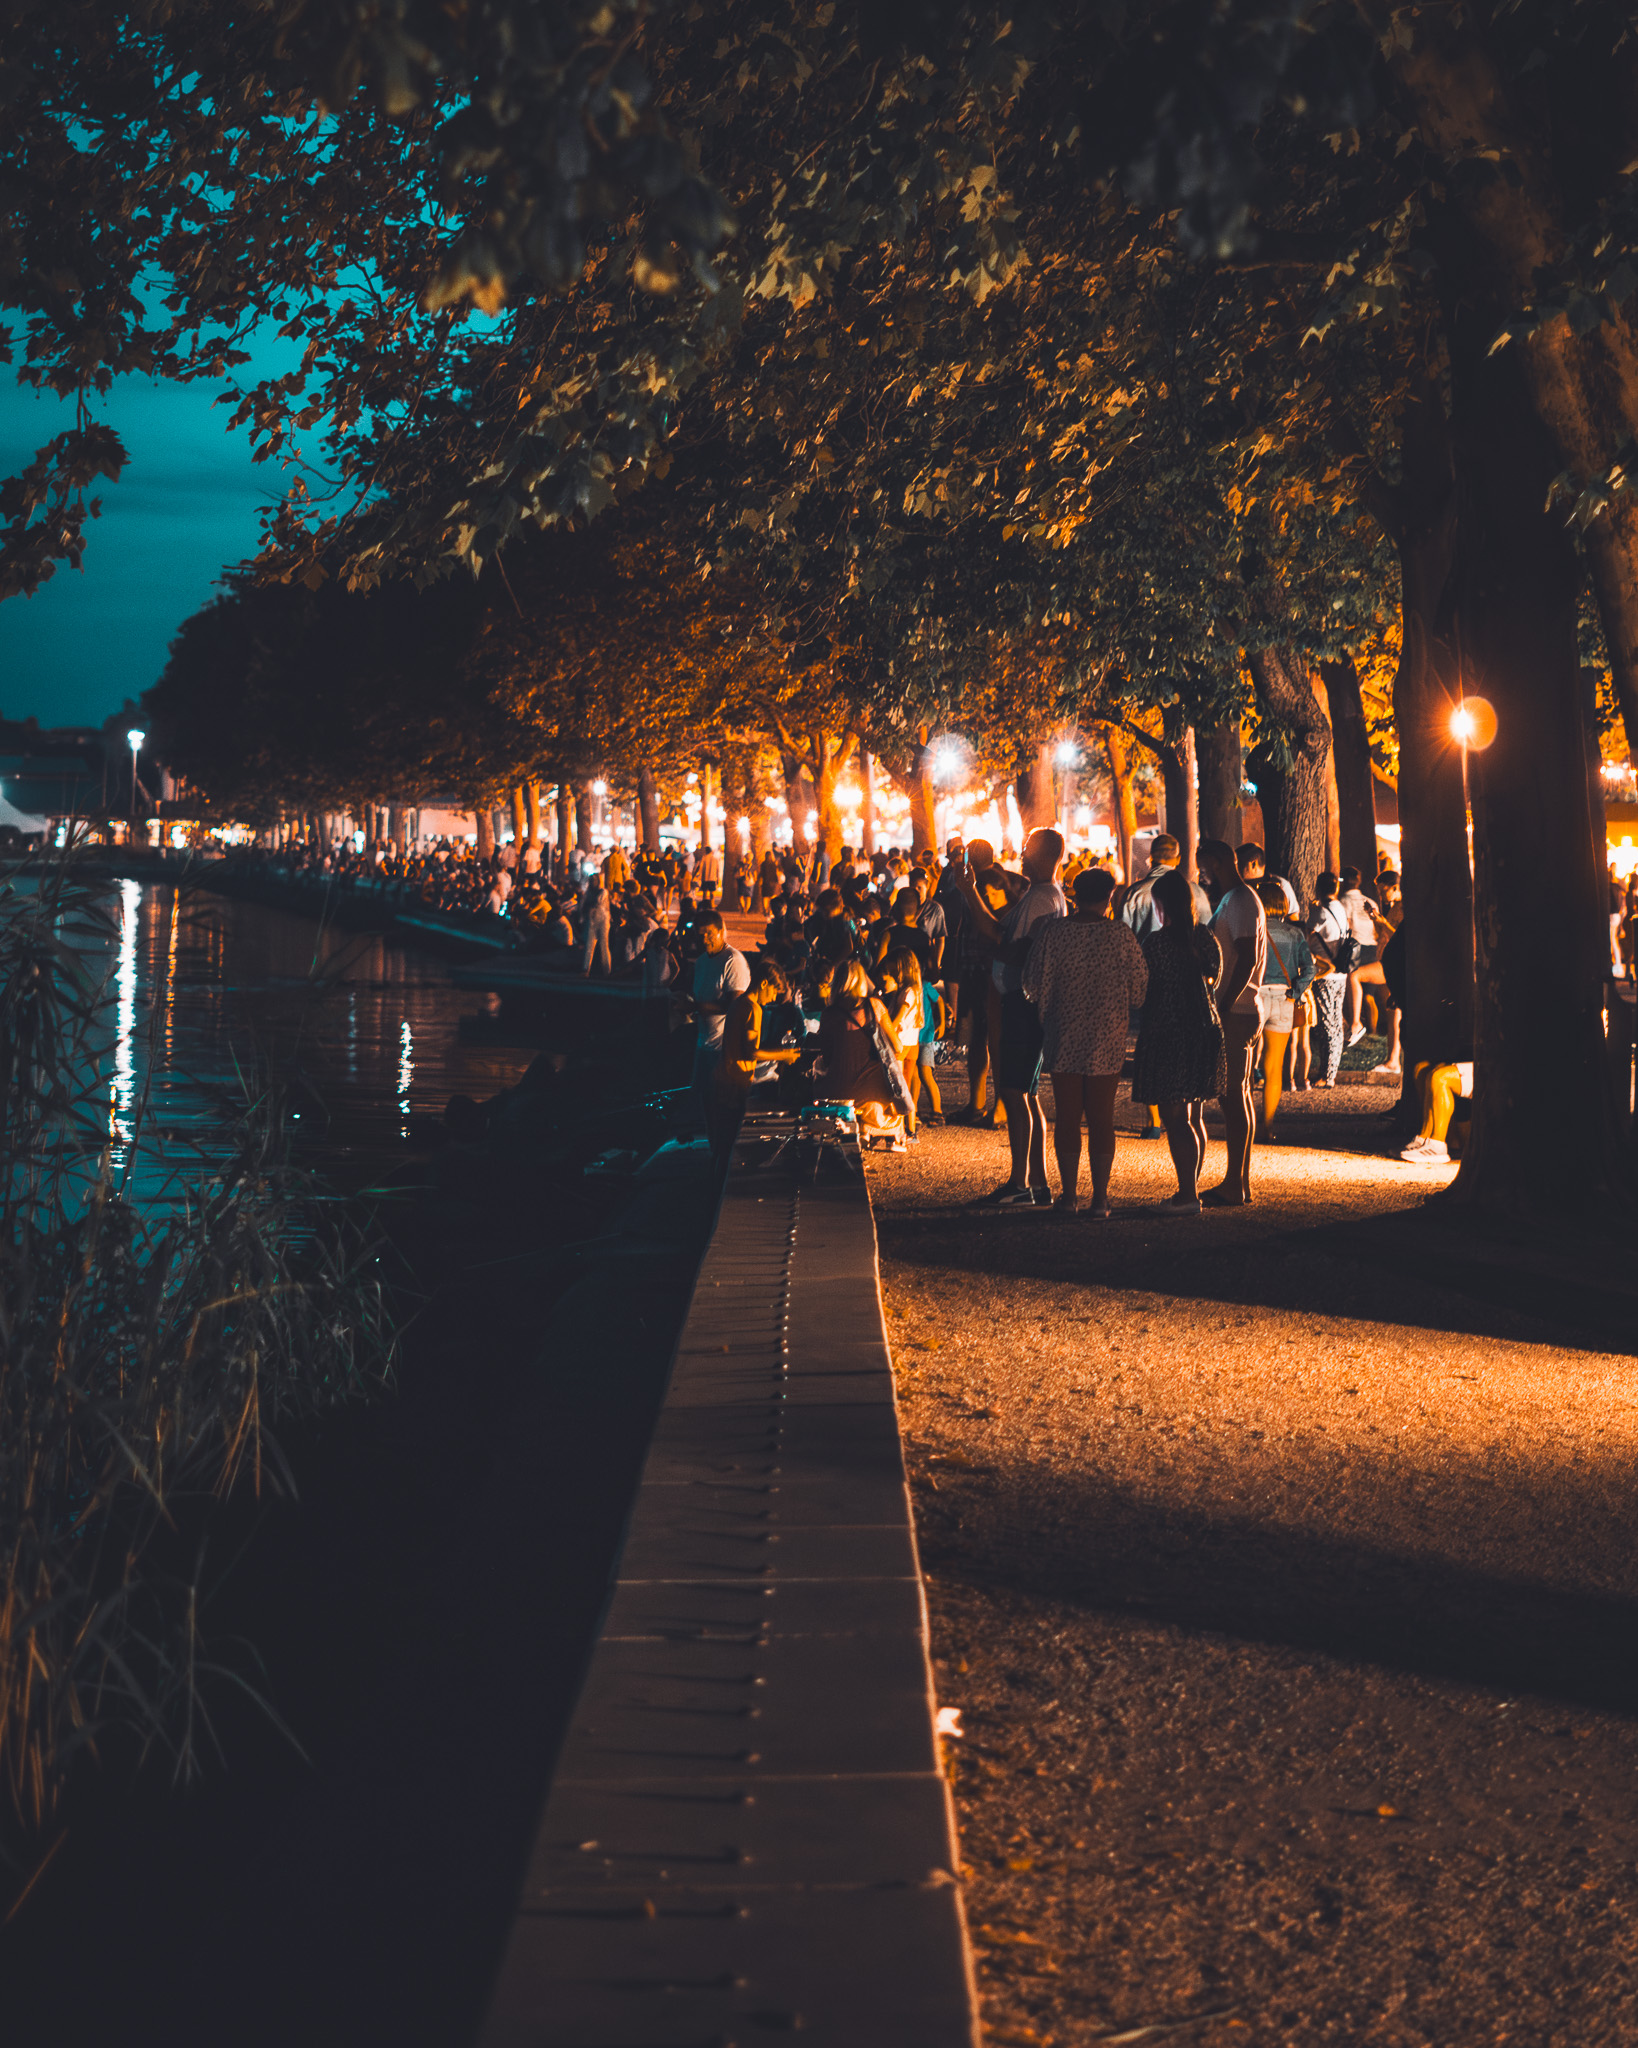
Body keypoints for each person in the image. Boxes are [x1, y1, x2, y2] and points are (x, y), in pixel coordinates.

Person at [1023, 865, 1148, 1216]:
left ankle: (1068, 1196)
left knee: (1067, 1117)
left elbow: (1032, 984)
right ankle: (1101, 1197)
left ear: (1075, 894)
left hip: (1064, 1032)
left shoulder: (1055, 934)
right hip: (1107, 1034)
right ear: (1109, 897)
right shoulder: (1121, 935)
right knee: (1101, 1118)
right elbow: (1139, 990)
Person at [952, 827, 1068, 1206]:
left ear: (1040, 855)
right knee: (1026, 1096)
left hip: (1022, 1002)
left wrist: (970, 893)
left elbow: (1004, 941)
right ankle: (1036, 1181)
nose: (1020, 854)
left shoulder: (1039, 897)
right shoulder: (1047, 895)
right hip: (1024, 1001)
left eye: (1027, 849)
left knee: (1015, 1094)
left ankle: (1021, 1183)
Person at [1131, 868, 1227, 1211]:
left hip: (1169, 1032)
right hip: (1204, 1029)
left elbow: (1142, 991)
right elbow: (1215, 977)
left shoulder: (1156, 943)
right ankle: (1190, 1188)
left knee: (1176, 1119)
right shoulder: (1204, 938)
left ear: (1162, 906)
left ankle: (1188, 1195)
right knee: (1193, 1115)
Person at [1198, 838, 1267, 1206]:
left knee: (1232, 1096)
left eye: (1206, 866)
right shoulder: (1235, 899)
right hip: (1241, 1007)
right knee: (1237, 1095)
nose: (1203, 874)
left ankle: (1235, 1183)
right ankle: (1238, 1180)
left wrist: (1223, 1002)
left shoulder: (1239, 900)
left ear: (1223, 861)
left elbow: (1245, 956)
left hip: (1237, 1010)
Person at [714, 958, 803, 1179]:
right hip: (734, 1082)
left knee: (721, 1145)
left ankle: (715, 1185)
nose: (773, 999)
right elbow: (752, 1052)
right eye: (774, 992)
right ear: (764, 984)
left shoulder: (738, 1003)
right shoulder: (753, 1009)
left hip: (721, 1079)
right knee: (729, 1145)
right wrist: (785, 1055)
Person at [1254, 877, 1318, 1140]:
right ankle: (1267, 1126)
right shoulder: (1294, 933)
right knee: (1273, 1067)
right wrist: (1296, 991)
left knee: (1245, 1063)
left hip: (1254, 997)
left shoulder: (1253, 928)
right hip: (1283, 999)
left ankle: (1242, 1121)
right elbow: (1310, 968)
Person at [816, 958, 905, 1143]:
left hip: (835, 1090)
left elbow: (826, 1057)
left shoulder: (828, 1013)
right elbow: (898, 1046)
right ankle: (881, 1129)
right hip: (870, 1091)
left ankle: (859, 1125)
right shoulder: (875, 1006)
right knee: (897, 1064)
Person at [680, 908, 751, 1137]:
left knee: (720, 1107)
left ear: (722, 931)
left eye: (710, 934)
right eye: (701, 935)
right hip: (704, 1043)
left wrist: (696, 1007)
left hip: (723, 1048)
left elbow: (734, 1007)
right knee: (701, 1103)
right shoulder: (701, 961)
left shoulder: (733, 961)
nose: (705, 940)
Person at [1120, 833, 1211, 938]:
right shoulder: (1196, 891)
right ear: (1178, 859)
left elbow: (1122, 935)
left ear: (1150, 859)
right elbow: (1207, 929)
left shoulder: (1134, 893)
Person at [1237, 842, 1300, 916]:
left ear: (1253, 864)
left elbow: (1293, 919)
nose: (1236, 868)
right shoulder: (1239, 888)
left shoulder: (1281, 886)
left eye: (1239, 863)